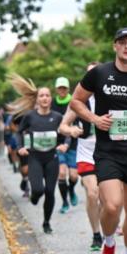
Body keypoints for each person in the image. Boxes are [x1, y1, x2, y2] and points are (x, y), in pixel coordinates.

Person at [70, 28, 127, 254]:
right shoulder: (99, 73)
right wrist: (95, 119)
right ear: (115, 46)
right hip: (108, 152)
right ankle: (108, 244)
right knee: (112, 205)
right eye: (122, 42)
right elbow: (76, 101)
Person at [9, 76, 69, 233]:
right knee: (38, 190)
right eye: (41, 95)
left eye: (47, 95)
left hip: (52, 159)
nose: (45, 98)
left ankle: (46, 222)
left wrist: (64, 144)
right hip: (35, 158)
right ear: (37, 99)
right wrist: (21, 147)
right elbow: (19, 133)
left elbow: (65, 134)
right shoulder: (30, 117)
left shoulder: (57, 117)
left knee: (50, 191)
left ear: (50, 99)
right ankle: (34, 196)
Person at [60, 62, 104, 251]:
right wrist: (71, 130)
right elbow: (62, 126)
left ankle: (106, 227)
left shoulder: (109, 98)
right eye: (89, 75)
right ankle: (96, 234)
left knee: (106, 198)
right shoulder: (79, 101)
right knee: (93, 194)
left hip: (107, 154)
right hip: (85, 154)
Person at [52, 77, 79, 214]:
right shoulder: (52, 103)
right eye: (60, 88)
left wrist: (67, 144)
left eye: (64, 88)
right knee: (62, 173)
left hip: (73, 143)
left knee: (74, 176)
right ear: (56, 89)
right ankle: (64, 202)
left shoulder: (74, 103)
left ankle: (71, 189)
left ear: (68, 89)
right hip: (57, 145)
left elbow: (74, 126)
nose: (62, 90)